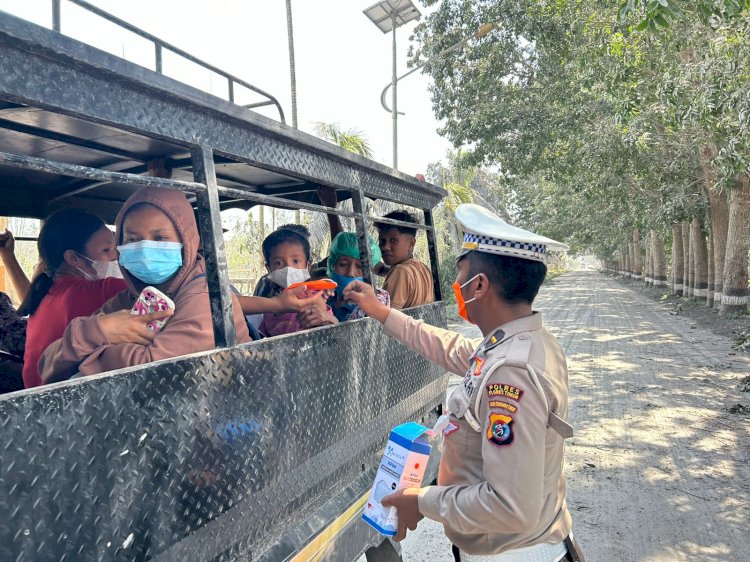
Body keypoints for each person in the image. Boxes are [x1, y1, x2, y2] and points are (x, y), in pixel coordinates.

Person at [344, 204, 585, 561]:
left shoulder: (512, 372)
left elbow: (509, 504)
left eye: (460, 275)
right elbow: (451, 347)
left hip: (510, 553)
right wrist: (383, 313)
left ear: (480, 285)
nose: (456, 285)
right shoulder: (522, 342)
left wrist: (421, 501)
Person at [38, 187, 253, 383]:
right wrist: (100, 329)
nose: (144, 249)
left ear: (186, 242)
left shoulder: (205, 298)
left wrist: (88, 350)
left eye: (159, 238)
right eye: (132, 240)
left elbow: (151, 376)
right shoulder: (129, 298)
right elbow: (46, 365)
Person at [15, 210, 128, 388]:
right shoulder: (103, 290)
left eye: (115, 249)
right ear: (73, 258)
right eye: (106, 250)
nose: (116, 257)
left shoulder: (45, 292)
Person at [257, 227, 337, 337]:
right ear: (269, 269)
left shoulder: (313, 299)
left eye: (296, 261)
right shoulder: (268, 304)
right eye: (278, 263)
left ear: (307, 266)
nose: (288, 268)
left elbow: (331, 334)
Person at [323, 231, 390, 323]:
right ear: (332, 266)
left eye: (360, 267)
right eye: (343, 264)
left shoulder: (376, 300)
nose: (350, 273)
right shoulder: (326, 299)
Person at [375, 210, 434, 310]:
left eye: (393, 240)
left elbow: (386, 317)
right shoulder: (423, 268)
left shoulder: (400, 271)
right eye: (382, 241)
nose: (385, 247)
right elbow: (380, 268)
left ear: (411, 243)